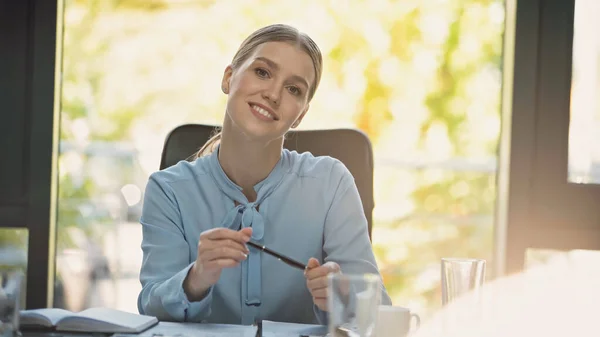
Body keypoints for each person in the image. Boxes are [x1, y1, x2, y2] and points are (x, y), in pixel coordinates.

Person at [137, 23, 391, 325]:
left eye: (293, 89)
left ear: (301, 115)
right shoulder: (168, 190)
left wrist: (345, 295)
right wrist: (195, 278)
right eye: (262, 72)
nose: (272, 94)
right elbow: (151, 309)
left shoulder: (332, 183)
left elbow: (380, 312)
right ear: (229, 77)